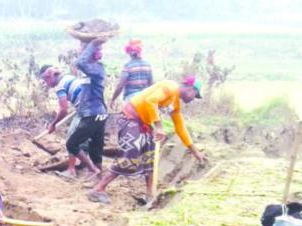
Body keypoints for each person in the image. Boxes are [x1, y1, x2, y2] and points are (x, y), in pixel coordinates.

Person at [88, 76, 208, 204]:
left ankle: (150, 195)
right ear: (191, 89)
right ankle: (98, 190)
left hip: (143, 123)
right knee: (130, 152)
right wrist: (158, 126)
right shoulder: (170, 87)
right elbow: (151, 100)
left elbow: (180, 128)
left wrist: (195, 152)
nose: (192, 99)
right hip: (130, 118)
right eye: (195, 96)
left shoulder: (175, 102)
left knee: (149, 156)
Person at [39, 37, 109, 181]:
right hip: (96, 112)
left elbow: (79, 62)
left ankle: (89, 170)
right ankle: (98, 179)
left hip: (92, 113)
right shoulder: (89, 71)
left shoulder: (94, 68)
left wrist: (93, 43)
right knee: (95, 147)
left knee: (72, 143)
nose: (46, 83)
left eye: (46, 80)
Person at [109, 39, 154, 111]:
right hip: (145, 99)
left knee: (131, 121)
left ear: (129, 52)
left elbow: (121, 85)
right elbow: (151, 85)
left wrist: (113, 99)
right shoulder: (147, 65)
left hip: (131, 99)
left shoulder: (128, 66)